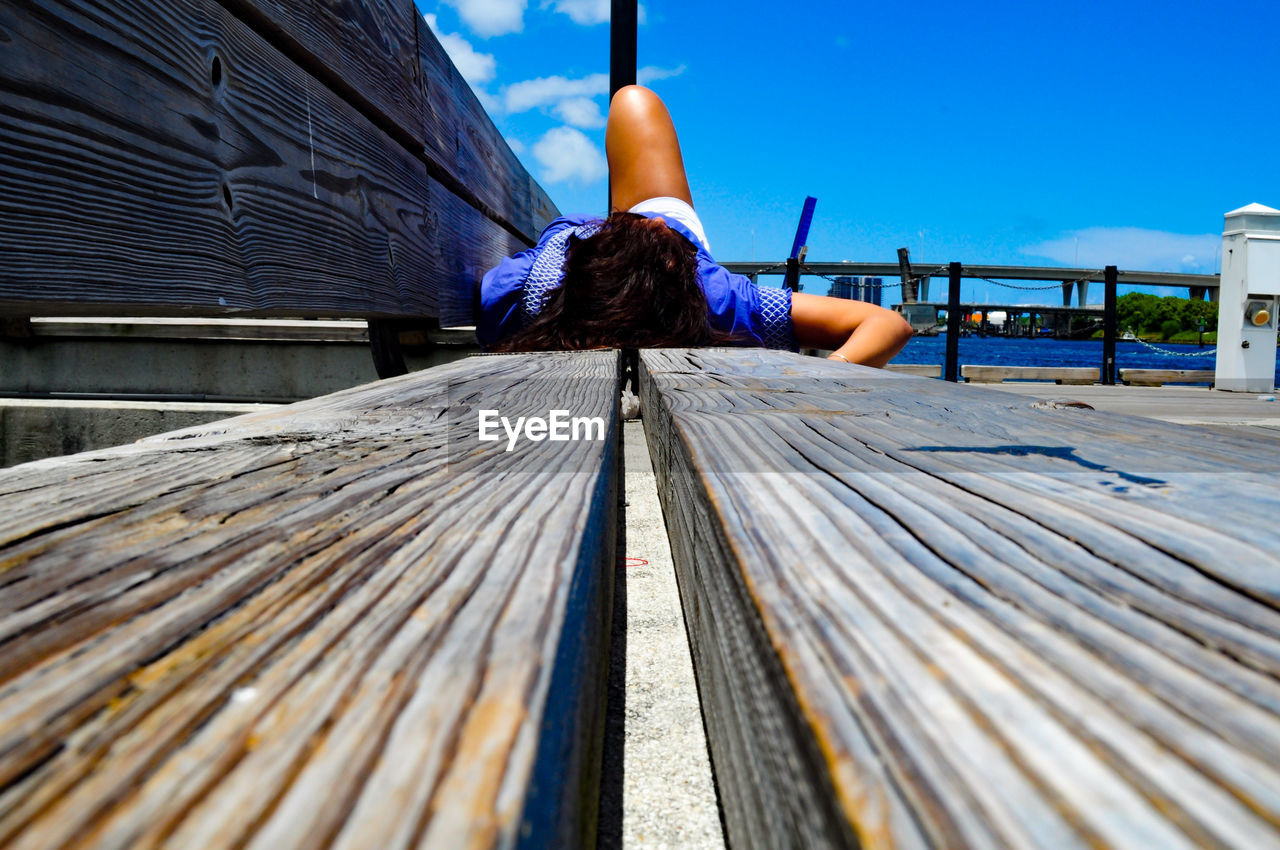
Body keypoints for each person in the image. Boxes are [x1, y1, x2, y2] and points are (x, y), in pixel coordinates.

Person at [478, 86, 913, 367]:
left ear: (595, 249)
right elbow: (889, 324)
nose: (655, 223)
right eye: (664, 239)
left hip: (592, 287)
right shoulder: (713, 295)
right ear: (683, 270)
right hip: (631, 284)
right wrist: (828, 373)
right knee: (634, 101)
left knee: (631, 102)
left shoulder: (536, 286)